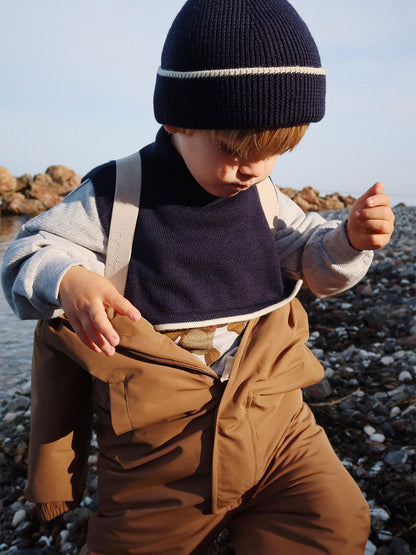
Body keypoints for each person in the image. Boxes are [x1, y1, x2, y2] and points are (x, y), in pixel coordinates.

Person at [1, 0, 395, 553]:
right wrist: (69, 278)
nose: (254, 169)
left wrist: (349, 241)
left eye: (275, 152)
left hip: (276, 424)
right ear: (176, 119)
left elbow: (312, 259)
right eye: (234, 150)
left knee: (335, 520)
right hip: (159, 455)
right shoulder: (119, 195)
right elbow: (29, 249)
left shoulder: (263, 198)